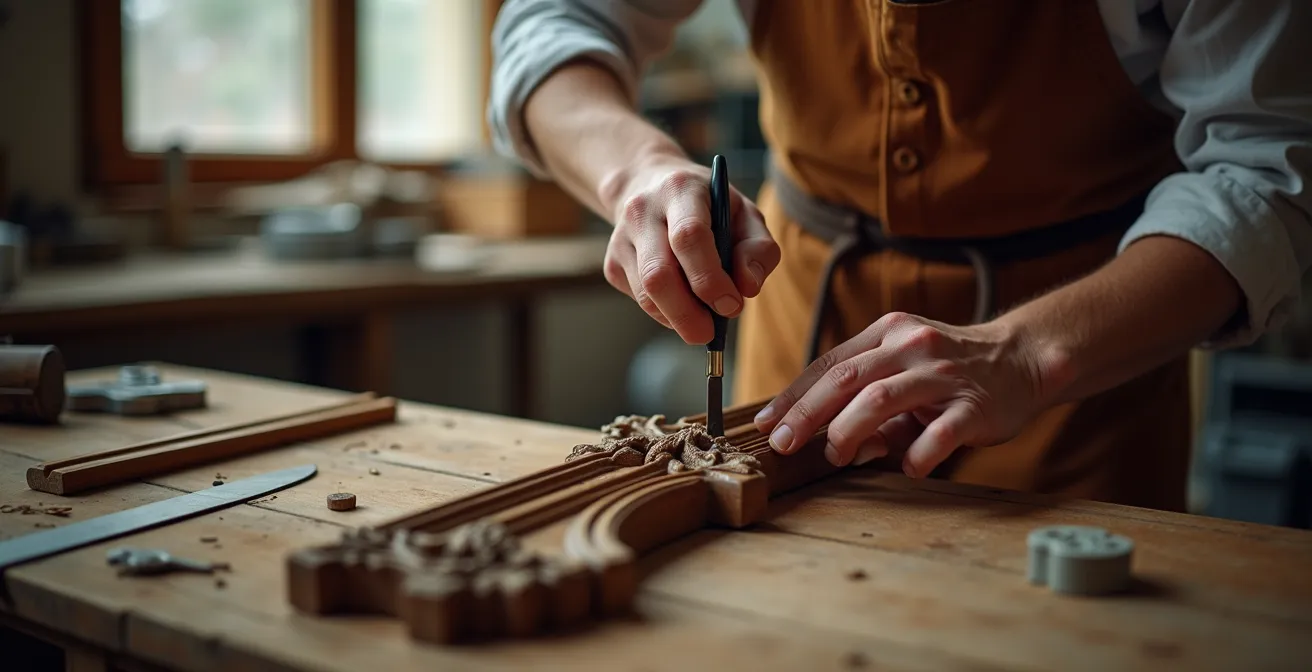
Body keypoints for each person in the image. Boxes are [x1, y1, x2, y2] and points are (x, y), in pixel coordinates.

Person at [486, 0, 1312, 512]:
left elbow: (1269, 170)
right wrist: (638, 167)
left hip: (1083, 366)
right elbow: (552, 23)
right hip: (797, 319)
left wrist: (1025, 355)